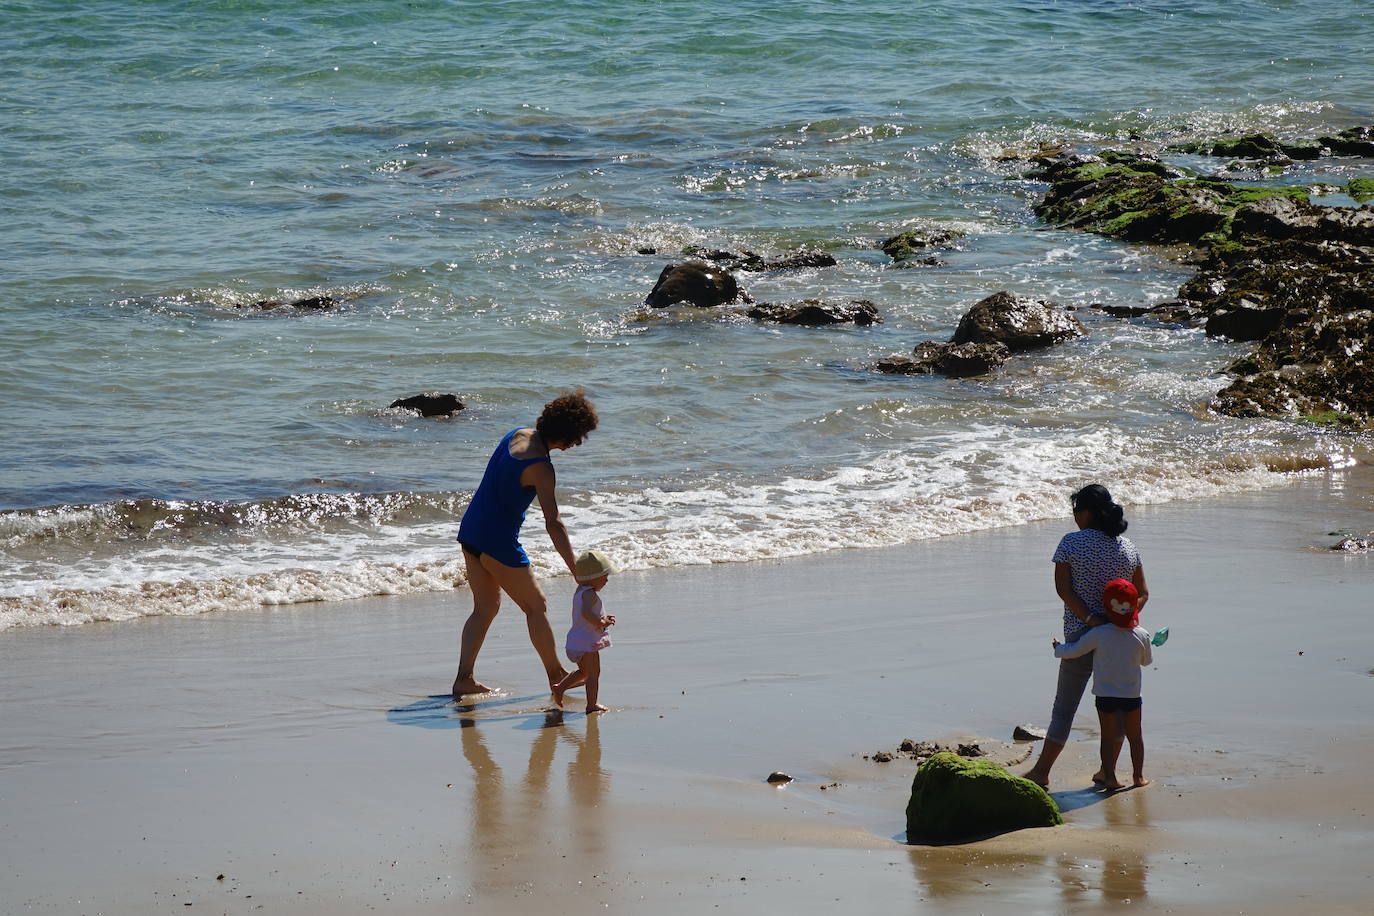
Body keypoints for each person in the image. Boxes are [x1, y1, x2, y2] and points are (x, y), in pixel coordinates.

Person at [451, 391, 599, 697]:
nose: (577, 443)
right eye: (578, 436)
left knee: (485, 608)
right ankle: (556, 675)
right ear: (569, 434)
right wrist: (576, 569)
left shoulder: (517, 434)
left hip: (471, 531)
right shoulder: (542, 468)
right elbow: (553, 523)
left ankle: (464, 679)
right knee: (536, 606)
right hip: (498, 541)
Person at [1022, 484, 1148, 788]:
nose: (1074, 517)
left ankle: (1041, 772)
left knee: (1064, 708)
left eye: (1076, 511)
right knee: (1117, 708)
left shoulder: (1070, 543)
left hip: (1081, 635)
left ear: (1088, 513)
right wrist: (1121, 620)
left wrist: (1091, 619)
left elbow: (1063, 589)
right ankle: (1107, 772)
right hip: (1119, 638)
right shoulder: (1128, 548)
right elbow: (1142, 593)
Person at [1052, 579, 1153, 789]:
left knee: (1107, 738)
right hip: (1132, 696)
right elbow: (1146, 662)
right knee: (1135, 737)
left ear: (1106, 608)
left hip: (1105, 695)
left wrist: (1058, 648)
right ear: (1135, 607)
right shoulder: (1142, 635)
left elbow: (1075, 650)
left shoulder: (1099, 633)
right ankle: (1138, 777)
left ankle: (1110, 778)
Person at [551, 549, 618, 713]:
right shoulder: (590, 594)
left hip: (576, 641)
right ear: (593, 578)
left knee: (584, 672)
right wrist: (602, 622)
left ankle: (560, 688)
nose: (607, 580)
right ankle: (591, 705)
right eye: (604, 577)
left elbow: (586, 613)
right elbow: (586, 613)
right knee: (593, 674)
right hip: (587, 643)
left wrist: (602, 617)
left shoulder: (580, 591)